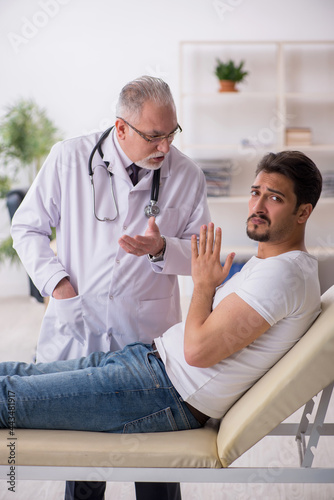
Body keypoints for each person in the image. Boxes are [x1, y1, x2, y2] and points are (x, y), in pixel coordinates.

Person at [2, 152, 322, 484]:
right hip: (149, 364)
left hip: (162, 392)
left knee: (10, 397)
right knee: (17, 374)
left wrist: (203, 284)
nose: (258, 205)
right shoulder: (272, 264)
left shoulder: (283, 276)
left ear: (303, 212)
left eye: (275, 198)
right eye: (256, 192)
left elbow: (197, 352)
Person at [10, 76, 210, 500]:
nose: (165, 148)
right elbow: (26, 227)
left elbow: (200, 255)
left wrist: (161, 248)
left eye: (172, 133)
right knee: (83, 458)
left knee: (155, 461)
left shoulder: (187, 174)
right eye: (154, 136)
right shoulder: (69, 158)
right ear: (121, 128)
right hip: (79, 325)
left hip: (147, 336)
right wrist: (58, 285)